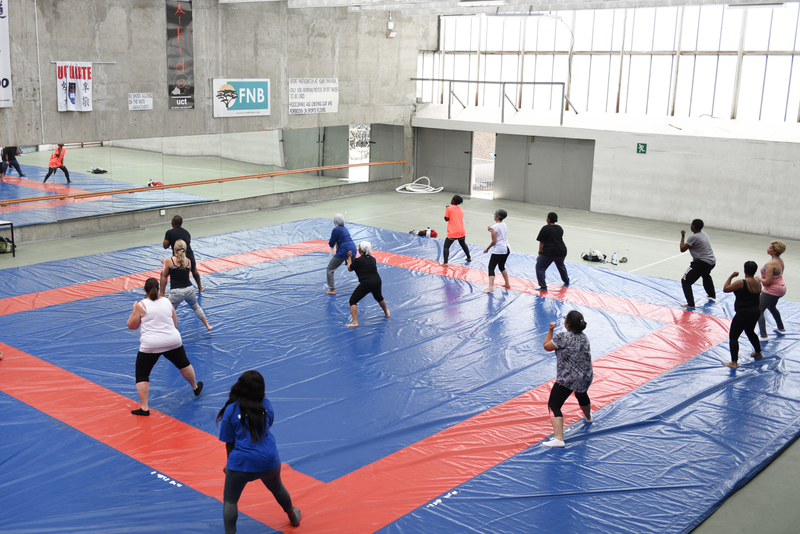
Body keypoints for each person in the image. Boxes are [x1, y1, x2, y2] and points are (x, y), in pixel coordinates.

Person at [217, 370, 301, 532]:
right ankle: (293, 517)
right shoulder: (266, 404)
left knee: (230, 501)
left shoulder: (232, 410)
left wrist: (230, 465)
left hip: (242, 463)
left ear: (239, 386)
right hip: (269, 460)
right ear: (261, 389)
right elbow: (267, 425)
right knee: (277, 488)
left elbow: (230, 443)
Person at [126, 278, 203, 416]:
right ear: (160, 289)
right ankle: (195, 387)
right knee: (184, 364)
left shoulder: (141, 305)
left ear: (145, 290)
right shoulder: (167, 302)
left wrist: (134, 310)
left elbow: (131, 326)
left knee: (142, 374)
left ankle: (144, 407)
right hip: (172, 340)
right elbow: (175, 324)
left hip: (151, 344)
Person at [542, 310, 593, 448]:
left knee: (554, 405)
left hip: (568, 378)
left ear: (567, 323)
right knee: (581, 394)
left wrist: (550, 330)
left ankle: (559, 439)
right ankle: (588, 417)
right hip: (586, 376)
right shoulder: (584, 337)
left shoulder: (563, 337)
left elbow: (547, 346)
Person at [160, 239, 212, 330]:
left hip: (176, 292)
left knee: (168, 311)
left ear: (174, 249)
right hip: (189, 289)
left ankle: (164, 329)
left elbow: (164, 274)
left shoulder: (170, 260)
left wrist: (163, 264)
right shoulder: (188, 261)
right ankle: (207, 325)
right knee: (196, 307)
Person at [722, 262, 763, 368]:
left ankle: (734, 362)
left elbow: (726, 289)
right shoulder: (758, 282)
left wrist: (731, 276)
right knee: (750, 331)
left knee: (734, 337)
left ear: (745, 270)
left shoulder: (741, 282)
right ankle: (758, 352)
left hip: (744, 312)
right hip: (755, 311)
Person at [345, 241, 390, 327]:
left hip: (367, 283)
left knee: (353, 301)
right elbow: (363, 266)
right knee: (379, 297)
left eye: (359, 247)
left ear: (361, 250)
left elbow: (350, 268)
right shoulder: (373, 259)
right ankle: (386, 312)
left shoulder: (358, 261)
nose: (358, 248)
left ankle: (355, 322)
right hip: (377, 281)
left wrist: (349, 257)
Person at [679, 219, 716, 308]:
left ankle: (690, 304)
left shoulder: (693, 237)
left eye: (691, 224)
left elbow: (682, 249)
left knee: (685, 281)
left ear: (693, 226)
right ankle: (712, 294)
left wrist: (683, 236)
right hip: (712, 261)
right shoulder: (704, 234)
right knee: (705, 274)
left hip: (702, 262)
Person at [755, 241, 787, 342]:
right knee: (772, 306)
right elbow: (778, 277)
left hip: (773, 290)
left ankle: (763, 336)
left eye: (770, 248)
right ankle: (781, 327)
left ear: (775, 251)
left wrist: (758, 279)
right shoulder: (780, 261)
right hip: (780, 288)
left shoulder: (771, 264)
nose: (768, 249)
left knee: (758, 310)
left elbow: (768, 281)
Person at [163, 215, 204, 292]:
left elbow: (165, 246)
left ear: (173, 223)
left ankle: (164, 292)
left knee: (169, 273)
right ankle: (200, 287)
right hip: (189, 254)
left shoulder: (169, 232)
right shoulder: (186, 233)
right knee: (194, 270)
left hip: (177, 256)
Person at [535, 212, 569, 292]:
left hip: (550, 252)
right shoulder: (560, 228)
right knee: (561, 265)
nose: (546, 219)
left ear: (549, 219)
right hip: (562, 251)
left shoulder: (545, 228)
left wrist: (539, 253)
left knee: (540, 267)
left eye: (547, 217)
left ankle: (543, 286)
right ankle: (566, 280)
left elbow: (542, 242)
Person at [324, 214, 357, 295]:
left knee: (330, 269)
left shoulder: (336, 230)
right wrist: (346, 259)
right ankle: (365, 282)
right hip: (353, 249)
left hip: (343, 251)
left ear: (335, 221)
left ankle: (332, 289)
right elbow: (344, 242)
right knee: (357, 267)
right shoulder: (345, 229)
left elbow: (332, 244)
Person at [482, 209, 511, 293]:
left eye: (495, 214)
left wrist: (487, 248)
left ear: (497, 217)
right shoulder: (504, 224)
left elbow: (494, 241)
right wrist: (492, 230)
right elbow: (499, 231)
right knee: (501, 266)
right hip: (507, 248)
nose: (494, 215)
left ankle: (490, 287)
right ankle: (507, 283)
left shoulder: (494, 227)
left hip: (499, 249)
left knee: (491, 267)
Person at [440, 194, 471, 266]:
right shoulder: (460, 209)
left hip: (453, 231)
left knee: (446, 246)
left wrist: (447, 209)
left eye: (452, 198)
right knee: (463, 244)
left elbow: (446, 219)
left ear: (453, 200)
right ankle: (469, 257)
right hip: (462, 230)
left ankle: (445, 262)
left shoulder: (449, 208)